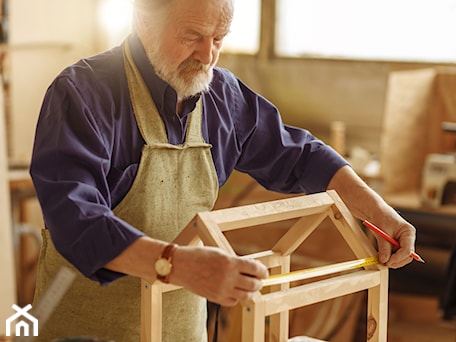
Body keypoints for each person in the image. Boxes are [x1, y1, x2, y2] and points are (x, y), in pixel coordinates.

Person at [29, 0, 417, 341]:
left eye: (219, 38)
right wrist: (176, 264)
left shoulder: (222, 97)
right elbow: (76, 220)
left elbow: (303, 156)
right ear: (143, 20)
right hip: (83, 329)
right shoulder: (81, 93)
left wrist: (377, 210)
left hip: (180, 330)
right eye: (192, 35)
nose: (208, 55)